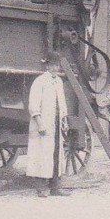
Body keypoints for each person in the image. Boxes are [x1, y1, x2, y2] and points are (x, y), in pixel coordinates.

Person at [26, 50, 71, 197]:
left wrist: (64, 120)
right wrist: (39, 123)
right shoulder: (40, 81)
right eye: (52, 65)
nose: (55, 68)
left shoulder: (58, 81)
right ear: (47, 66)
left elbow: (62, 103)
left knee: (57, 154)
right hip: (44, 123)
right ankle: (41, 188)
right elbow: (33, 104)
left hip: (56, 123)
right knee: (42, 153)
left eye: (57, 65)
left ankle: (55, 187)